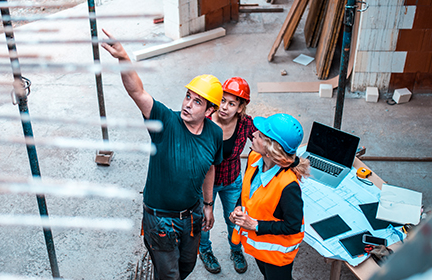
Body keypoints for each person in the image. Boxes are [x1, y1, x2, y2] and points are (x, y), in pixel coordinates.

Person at [100, 29, 224, 280]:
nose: (187, 104)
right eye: (188, 96)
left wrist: (209, 205)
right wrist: (124, 58)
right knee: (169, 276)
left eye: (197, 102)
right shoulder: (165, 121)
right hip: (160, 222)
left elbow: (211, 167)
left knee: (186, 266)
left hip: (192, 216)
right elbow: (138, 93)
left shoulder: (214, 134)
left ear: (210, 110)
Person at [229, 113, 310, 280]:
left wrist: (256, 225)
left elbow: (293, 226)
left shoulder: (288, 186)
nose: (253, 134)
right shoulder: (254, 157)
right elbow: (248, 191)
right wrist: (238, 206)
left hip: (277, 256)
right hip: (260, 249)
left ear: (270, 149)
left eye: (260, 135)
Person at [199, 77, 257, 274]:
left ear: (240, 108)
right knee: (205, 220)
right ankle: (205, 251)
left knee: (234, 219)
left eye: (232, 103)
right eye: (223, 100)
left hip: (232, 181)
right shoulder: (205, 121)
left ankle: (236, 250)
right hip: (206, 184)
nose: (224, 107)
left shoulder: (245, 124)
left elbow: (262, 141)